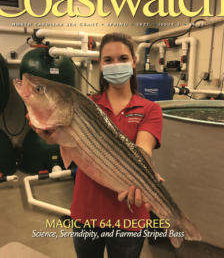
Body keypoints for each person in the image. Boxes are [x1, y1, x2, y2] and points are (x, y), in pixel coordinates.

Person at [27, 32, 164, 258]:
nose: (115, 65)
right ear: (100, 65)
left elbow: (144, 150)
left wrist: (146, 174)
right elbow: (58, 139)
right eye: (108, 60)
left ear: (133, 62)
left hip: (129, 217)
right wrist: (46, 133)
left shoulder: (150, 110)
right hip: (86, 213)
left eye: (122, 58)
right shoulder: (84, 104)